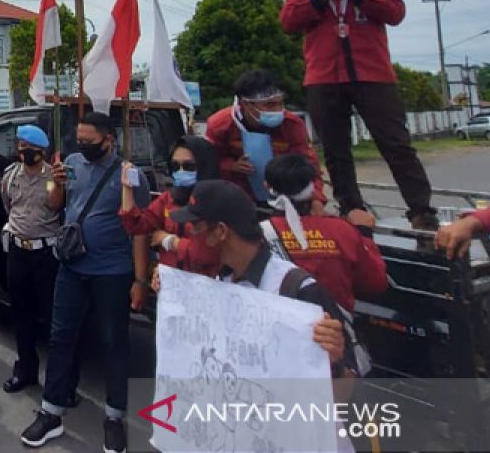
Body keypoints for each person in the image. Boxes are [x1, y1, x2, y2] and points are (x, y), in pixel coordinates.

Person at [280, 0, 437, 229]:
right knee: (336, 151)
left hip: (373, 75)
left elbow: (395, 13)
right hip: (323, 78)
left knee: (396, 144)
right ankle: (352, 209)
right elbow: (288, 22)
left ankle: (421, 212)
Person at [20, 112, 149, 453]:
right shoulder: (73, 162)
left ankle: (115, 417)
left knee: (113, 343)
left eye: (90, 141)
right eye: (79, 140)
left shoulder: (129, 174)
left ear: (109, 139)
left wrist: (140, 279)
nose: (83, 146)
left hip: (113, 271)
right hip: (72, 267)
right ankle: (51, 412)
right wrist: (57, 182)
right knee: (61, 337)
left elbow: (139, 231)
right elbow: (55, 204)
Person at [168, 179, 356, 384]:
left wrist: (334, 362)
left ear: (221, 232)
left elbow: (347, 391)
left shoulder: (298, 292)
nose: (190, 235)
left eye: (196, 227)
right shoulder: (222, 279)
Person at [263, 154, 387, 313]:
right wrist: (364, 235)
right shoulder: (342, 230)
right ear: (312, 187)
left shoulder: (259, 235)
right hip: (335, 329)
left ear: (267, 186)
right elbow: (376, 283)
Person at [203, 69, 327, 208]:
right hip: (236, 197)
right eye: (269, 105)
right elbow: (207, 162)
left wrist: (316, 199)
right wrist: (230, 166)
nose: (277, 110)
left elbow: (309, 165)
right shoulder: (220, 124)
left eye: (280, 103)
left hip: (284, 197)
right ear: (245, 104)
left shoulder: (292, 124)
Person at [0, 124, 62, 393]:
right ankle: (25, 370)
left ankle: (59, 379)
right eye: (21, 147)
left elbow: (56, 204)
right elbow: (8, 204)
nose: (24, 152)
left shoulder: (52, 175)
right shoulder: (10, 175)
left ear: (42, 151)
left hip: (45, 253)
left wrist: (57, 183)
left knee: (50, 316)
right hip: (18, 250)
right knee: (21, 313)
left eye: (31, 148)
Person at [119, 136, 223, 281]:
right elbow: (136, 226)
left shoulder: (219, 201)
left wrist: (169, 241)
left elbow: (206, 254)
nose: (181, 171)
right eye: (175, 166)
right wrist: (127, 189)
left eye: (189, 167)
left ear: (204, 166)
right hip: (171, 286)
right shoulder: (169, 199)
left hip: (205, 286)